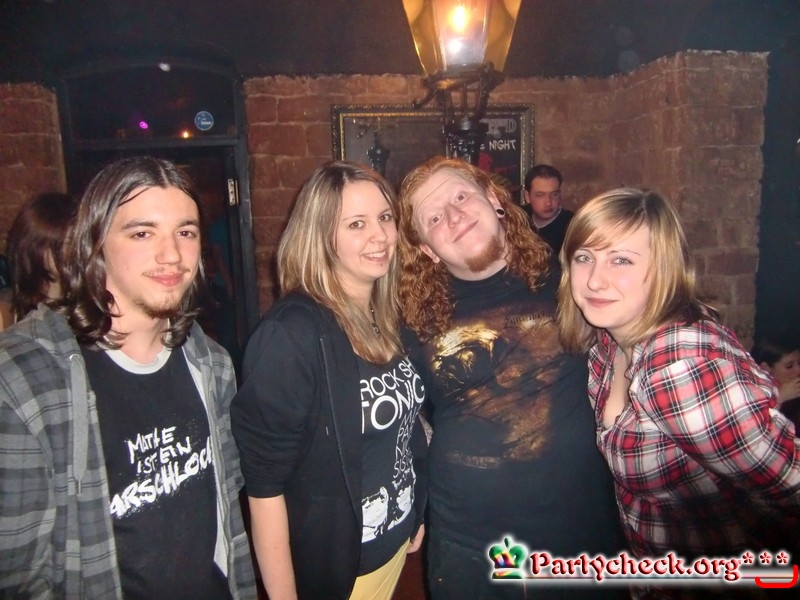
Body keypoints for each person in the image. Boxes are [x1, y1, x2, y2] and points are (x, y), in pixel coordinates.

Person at [0, 157, 257, 599]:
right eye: (142, 233)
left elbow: (229, 519)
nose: (171, 254)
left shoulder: (211, 364)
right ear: (94, 243)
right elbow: (18, 577)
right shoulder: (26, 381)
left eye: (185, 232)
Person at [397, 156, 625, 600]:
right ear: (426, 248)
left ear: (495, 200)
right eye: (434, 218)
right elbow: (404, 423)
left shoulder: (575, 282)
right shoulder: (412, 322)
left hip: (579, 534)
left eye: (461, 196)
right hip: (466, 543)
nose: (454, 216)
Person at [558, 187, 800, 597]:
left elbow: (791, 483)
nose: (595, 279)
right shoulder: (609, 342)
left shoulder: (677, 368)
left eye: (621, 260)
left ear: (664, 268)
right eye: (584, 257)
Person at [231, 161, 427, 600]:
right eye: (356, 224)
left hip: (393, 545)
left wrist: (417, 507)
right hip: (339, 571)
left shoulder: (387, 318)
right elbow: (264, 487)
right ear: (320, 236)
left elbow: (406, 425)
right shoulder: (291, 334)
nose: (380, 236)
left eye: (385, 217)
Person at [1, 191, 77, 328]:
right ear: (36, 247)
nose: (76, 250)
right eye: (68, 242)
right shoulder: (6, 311)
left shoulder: (93, 307)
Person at [522, 164, 574, 253]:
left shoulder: (572, 226)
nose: (548, 203)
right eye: (540, 195)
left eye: (554, 194)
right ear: (527, 196)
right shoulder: (517, 219)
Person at [751, 336, 800, 431]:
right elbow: (757, 431)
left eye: (799, 363)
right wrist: (780, 397)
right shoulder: (756, 392)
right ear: (766, 368)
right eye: (789, 366)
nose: (798, 370)